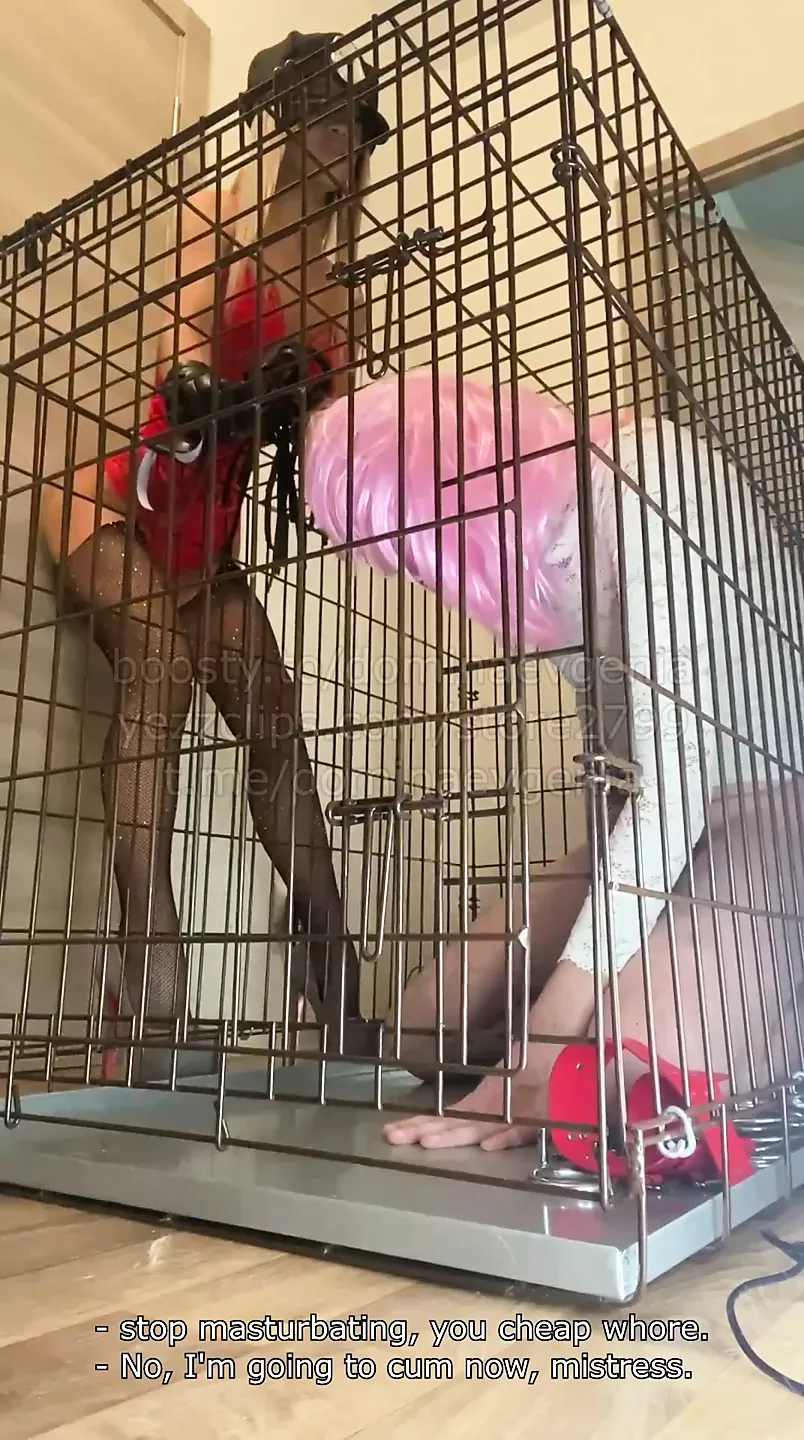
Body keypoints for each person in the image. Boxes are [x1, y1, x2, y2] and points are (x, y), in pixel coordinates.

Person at [40, 32, 390, 1081]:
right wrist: (224, 394)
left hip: (208, 546)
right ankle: (150, 989)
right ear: (281, 125)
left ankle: (336, 979)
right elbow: (179, 360)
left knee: (276, 718)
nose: (340, 145)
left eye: (351, 128)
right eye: (322, 120)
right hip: (118, 504)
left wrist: (312, 416)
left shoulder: (343, 293)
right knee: (160, 670)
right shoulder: (220, 217)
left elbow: (338, 455)